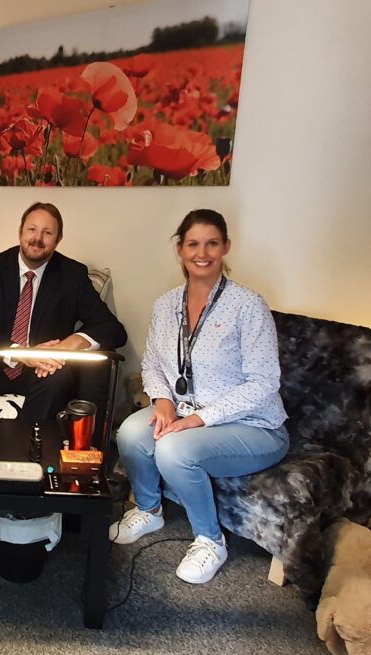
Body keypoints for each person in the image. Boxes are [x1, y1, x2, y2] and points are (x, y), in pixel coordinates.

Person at [109, 209, 289, 584]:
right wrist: (162, 401)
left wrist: (198, 419)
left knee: (174, 449)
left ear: (225, 247)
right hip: (184, 412)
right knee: (129, 432)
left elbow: (264, 382)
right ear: (180, 249)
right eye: (193, 244)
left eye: (211, 243)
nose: (202, 252)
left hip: (252, 426)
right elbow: (154, 365)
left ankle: (210, 540)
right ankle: (149, 508)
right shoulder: (166, 305)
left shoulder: (247, 305)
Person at [0, 202, 127, 442]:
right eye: (32, 229)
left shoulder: (72, 275)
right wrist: (23, 353)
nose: (38, 238)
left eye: (47, 232)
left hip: (42, 370)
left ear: (58, 239)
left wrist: (72, 343)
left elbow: (113, 329)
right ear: (20, 231)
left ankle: (22, 451)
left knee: (59, 379)